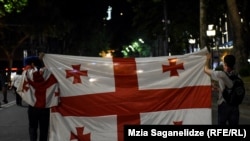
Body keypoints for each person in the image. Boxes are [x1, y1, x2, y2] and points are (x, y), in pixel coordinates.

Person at [16, 53, 60, 141]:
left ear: (32, 64)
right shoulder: (50, 73)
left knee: (32, 128)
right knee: (44, 129)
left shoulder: (28, 73)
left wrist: (37, 58)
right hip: (45, 107)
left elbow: (26, 60)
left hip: (33, 107)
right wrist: (46, 58)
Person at [204, 53, 239, 125]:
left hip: (223, 105)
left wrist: (208, 59)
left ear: (225, 64)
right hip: (235, 105)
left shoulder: (220, 74)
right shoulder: (238, 76)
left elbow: (205, 69)